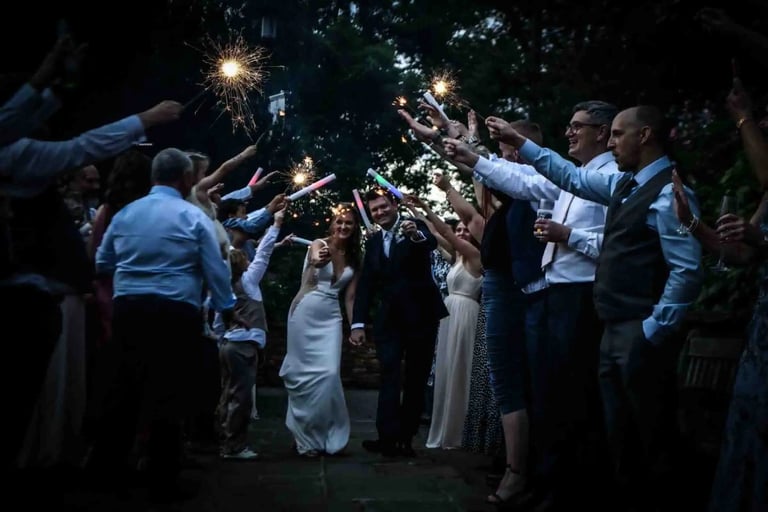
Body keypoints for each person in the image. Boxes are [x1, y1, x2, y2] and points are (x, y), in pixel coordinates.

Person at [483, 105, 703, 510]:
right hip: (611, 323)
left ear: (645, 135)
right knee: (613, 430)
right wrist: (520, 145)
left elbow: (686, 269)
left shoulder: (671, 192)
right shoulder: (624, 186)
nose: (612, 142)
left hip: (639, 328)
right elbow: (569, 176)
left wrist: (654, 327)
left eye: (619, 134)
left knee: (649, 433)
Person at [92, 148, 235, 502]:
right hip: (176, 312)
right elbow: (214, 269)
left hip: (129, 310)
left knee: (123, 390)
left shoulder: (126, 214)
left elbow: (103, 261)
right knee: (169, 394)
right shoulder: (193, 217)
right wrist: (226, 305)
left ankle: (107, 470)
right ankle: (161, 477)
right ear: (186, 179)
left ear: (154, 176)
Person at [349, 189, 449, 457]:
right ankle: (386, 437)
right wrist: (357, 323)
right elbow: (366, 285)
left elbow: (429, 243)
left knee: (416, 378)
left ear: (394, 204)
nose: (380, 212)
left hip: (421, 317)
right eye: (375, 210)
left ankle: (406, 438)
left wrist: (414, 234)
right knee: (389, 375)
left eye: (383, 207)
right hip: (389, 321)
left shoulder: (413, 226)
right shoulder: (371, 243)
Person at [280, 204, 362, 456]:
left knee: (328, 375)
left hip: (331, 318)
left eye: (348, 222)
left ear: (355, 227)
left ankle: (322, 433)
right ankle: (304, 437)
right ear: (332, 224)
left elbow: (350, 298)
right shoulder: (319, 243)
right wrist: (317, 260)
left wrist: (355, 327)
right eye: (339, 222)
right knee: (301, 376)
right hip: (304, 312)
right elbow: (315, 257)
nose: (343, 226)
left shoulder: (355, 258)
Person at [217, 207, 285, 460]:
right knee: (241, 399)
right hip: (242, 346)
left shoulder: (224, 285)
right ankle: (234, 446)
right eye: (245, 258)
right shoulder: (246, 282)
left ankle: (223, 438)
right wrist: (276, 224)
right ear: (240, 264)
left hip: (228, 345)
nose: (249, 257)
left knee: (227, 394)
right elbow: (264, 254)